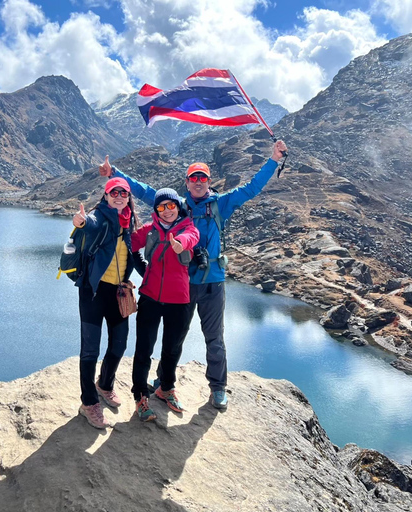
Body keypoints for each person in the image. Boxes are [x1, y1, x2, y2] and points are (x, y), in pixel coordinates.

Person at [99, 139, 288, 410]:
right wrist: (114, 172)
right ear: (186, 183)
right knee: (176, 336)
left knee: (214, 336)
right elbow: (143, 191)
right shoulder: (176, 205)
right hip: (183, 283)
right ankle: (165, 383)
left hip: (212, 281)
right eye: (193, 178)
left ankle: (218, 387)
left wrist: (273, 160)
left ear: (208, 181)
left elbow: (252, 188)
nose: (198, 182)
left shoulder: (220, 204)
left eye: (202, 177)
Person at [71, 177, 144, 429]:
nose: (119, 196)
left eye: (123, 192)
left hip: (119, 292)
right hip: (93, 292)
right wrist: (80, 222)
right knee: (90, 350)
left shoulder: (130, 223)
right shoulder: (100, 216)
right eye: (114, 192)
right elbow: (89, 224)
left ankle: (105, 384)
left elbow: (135, 256)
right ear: (106, 195)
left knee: (120, 344)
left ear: (128, 197)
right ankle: (88, 402)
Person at [129, 188, 199, 421]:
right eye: (161, 207)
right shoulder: (149, 231)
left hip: (179, 299)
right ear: (155, 210)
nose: (167, 211)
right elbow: (129, 243)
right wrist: (142, 270)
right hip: (150, 297)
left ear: (178, 207)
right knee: (144, 349)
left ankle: (165, 388)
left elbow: (192, 238)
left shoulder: (188, 228)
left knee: (172, 348)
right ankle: (140, 395)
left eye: (171, 206)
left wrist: (179, 243)